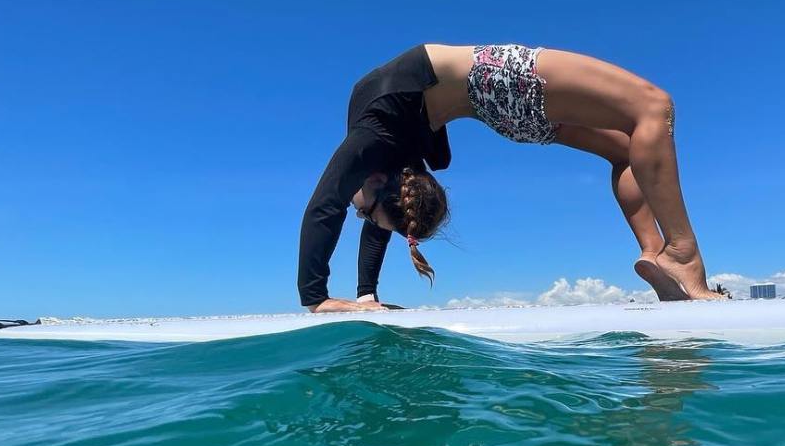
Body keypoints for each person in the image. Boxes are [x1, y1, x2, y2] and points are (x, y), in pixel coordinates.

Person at [298, 44, 725, 313]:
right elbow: (344, 207)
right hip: (495, 81)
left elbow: (357, 211)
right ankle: (683, 256)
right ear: (375, 182)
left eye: (365, 217)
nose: (364, 221)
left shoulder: (380, 148)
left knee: (622, 149)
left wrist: (362, 292)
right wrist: (319, 298)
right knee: (653, 106)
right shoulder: (377, 147)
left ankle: (654, 253)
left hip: (499, 112)